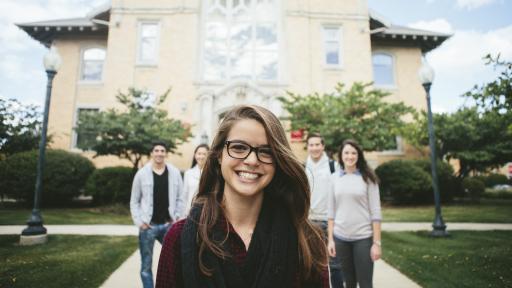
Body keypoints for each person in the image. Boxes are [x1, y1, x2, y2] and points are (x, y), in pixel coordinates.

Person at [156, 105, 329, 288]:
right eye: (239, 147)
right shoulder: (178, 238)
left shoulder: (307, 240)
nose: (252, 160)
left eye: (266, 151)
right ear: (219, 156)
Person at [327, 139, 382, 288]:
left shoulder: (369, 178)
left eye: (353, 153)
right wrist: (331, 239)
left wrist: (376, 243)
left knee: (365, 284)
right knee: (349, 283)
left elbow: (376, 213)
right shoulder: (334, 179)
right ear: (341, 155)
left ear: (358, 155)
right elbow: (331, 212)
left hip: (363, 238)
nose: (350, 156)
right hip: (340, 238)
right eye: (346, 153)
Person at [130, 141, 185, 288]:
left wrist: (177, 218)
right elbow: (134, 201)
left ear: (165, 153)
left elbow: (181, 197)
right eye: (156, 150)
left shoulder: (174, 173)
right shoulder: (141, 174)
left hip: (168, 225)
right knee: (146, 266)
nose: (159, 153)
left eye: (162, 151)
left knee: (175, 261)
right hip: (148, 227)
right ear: (152, 153)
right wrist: (139, 222)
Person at [305, 133, 344, 287]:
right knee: (311, 265)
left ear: (323, 146)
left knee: (335, 266)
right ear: (307, 147)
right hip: (309, 222)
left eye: (317, 144)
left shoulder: (333, 166)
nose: (314, 148)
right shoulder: (302, 167)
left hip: (331, 223)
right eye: (311, 145)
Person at [183, 144, 210, 215]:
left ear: (208, 156)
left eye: (204, 154)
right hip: (190, 212)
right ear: (195, 155)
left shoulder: (213, 173)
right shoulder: (188, 173)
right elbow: (185, 195)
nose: (201, 156)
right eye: (199, 154)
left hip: (206, 212)